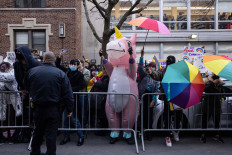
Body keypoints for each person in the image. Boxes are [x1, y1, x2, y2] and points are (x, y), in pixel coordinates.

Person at [25, 51, 74, 155]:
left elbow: (26, 86)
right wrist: (70, 109)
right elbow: (67, 93)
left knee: (37, 131)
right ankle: (50, 153)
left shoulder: (32, 71)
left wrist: (34, 94)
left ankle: (35, 152)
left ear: (43, 59)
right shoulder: (60, 73)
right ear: (53, 61)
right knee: (51, 134)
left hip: (38, 107)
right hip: (53, 108)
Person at [14, 46, 41, 143]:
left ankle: (37, 136)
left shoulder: (36, 64)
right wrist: (22, 88)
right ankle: (26, 135)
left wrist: (33, 91)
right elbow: (18, 77)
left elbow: (38, 79)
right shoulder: (17, 64)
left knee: (36, 115)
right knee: (26, 115)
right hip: (25, 93)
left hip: (35, 93)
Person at [152, 55, 176, 147]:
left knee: (177, 116)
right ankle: (167, 136)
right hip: (167, 97)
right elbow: (157, 75)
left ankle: (175, 132)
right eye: (168, 63)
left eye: (171, 63)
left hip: (176, 97)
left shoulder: (177, 71)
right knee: (167, 116)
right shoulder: (163, 71)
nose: (169, 65)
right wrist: (151, 73)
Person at [60, 59, 85, 146]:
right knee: (65, 120)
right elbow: (58, 66)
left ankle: (81, 136)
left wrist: (70, 89)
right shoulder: (67, 72)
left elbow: (81, 85)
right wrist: (59, 58)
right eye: (71, 64)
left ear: (77, 65)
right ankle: (66, 136)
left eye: (74, 64)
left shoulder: (79, 74)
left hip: (74, 98)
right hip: (65, 99)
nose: (72, 66)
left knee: (74, 119)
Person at [137, 48, 160, 141]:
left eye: (153, 67)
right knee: (141, 115)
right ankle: (141, 132)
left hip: (150, 98)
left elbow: (157, 89)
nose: (151, 69)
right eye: (150, 67)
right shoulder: (144, 74)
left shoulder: (156, 77)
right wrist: (142, 56)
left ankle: (148, 133)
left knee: (149, 116)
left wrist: (153, 100)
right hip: (142, 97)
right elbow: (139, 67)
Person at [0, 61, 22, 145]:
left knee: (11, 117)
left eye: (4, 66)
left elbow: (11, 81)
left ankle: (12, 137)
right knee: (3, 118)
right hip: (2, 100)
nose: (3, 68)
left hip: (11, 99)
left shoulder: (12, 73)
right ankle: (4, 136)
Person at [200, 73, 225, 143]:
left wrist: (218, 84)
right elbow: (206, 89)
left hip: (216, 105)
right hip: (207, 105)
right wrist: (212, 83)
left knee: (217, 121)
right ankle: (203, 135)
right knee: (205, 121)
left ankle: (217, 135)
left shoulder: (220, 84)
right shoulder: (208, 82)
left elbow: (221, 92)